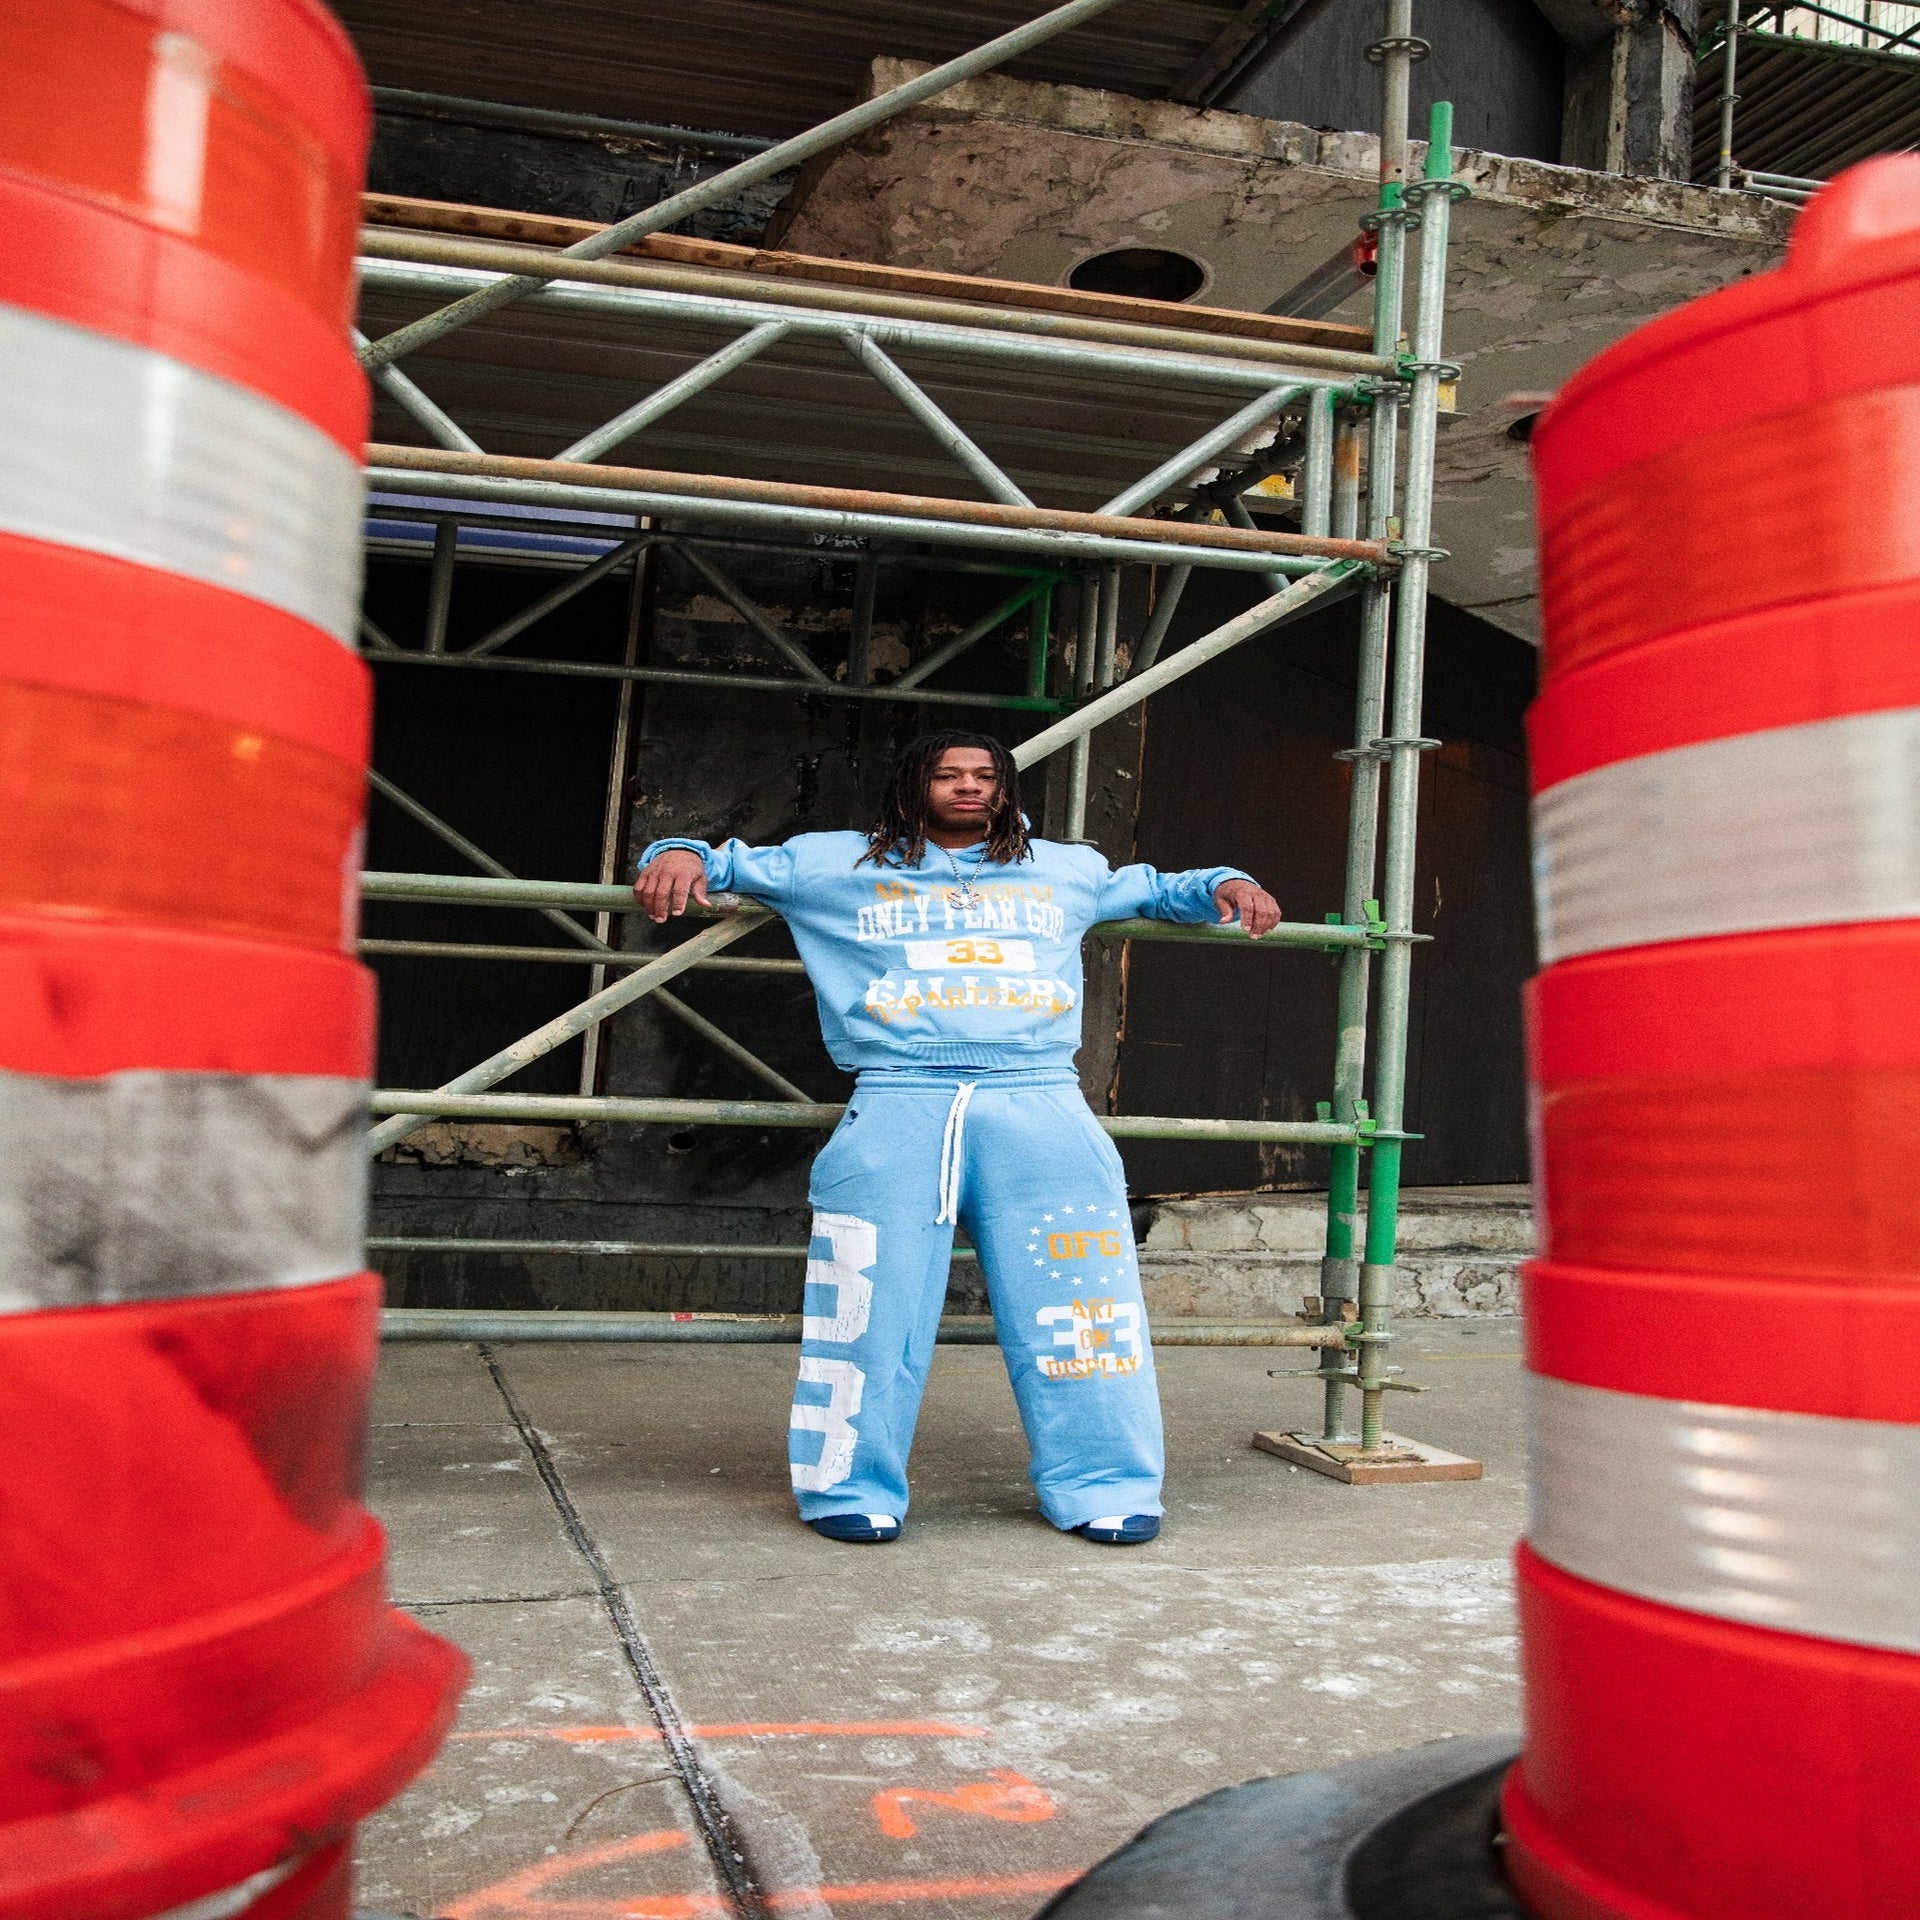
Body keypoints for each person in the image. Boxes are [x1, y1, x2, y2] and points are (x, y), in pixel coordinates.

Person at [633, 729, 1280, 1548]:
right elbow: (714, 861)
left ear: (1006, 789)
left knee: (1085, 1308)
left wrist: (1230, 880)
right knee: (871, 1305)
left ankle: (1103, 1485)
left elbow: (1154, 888)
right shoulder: (830, 863)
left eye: (985, 776)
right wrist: (679, 851)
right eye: (948, 775)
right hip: (900, 1098)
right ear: (913, 783)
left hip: (1039, 1100)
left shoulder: (1065, 868)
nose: (969, 788)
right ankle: (848, 1487)